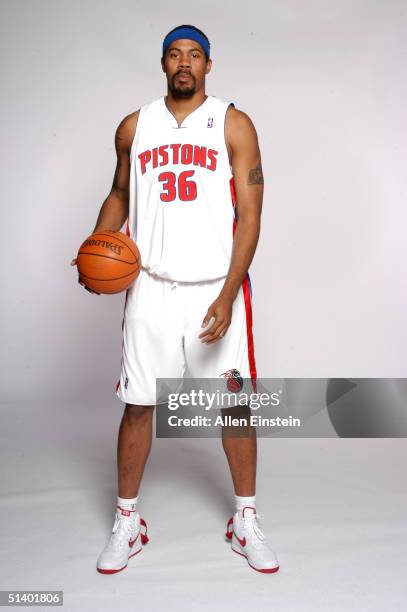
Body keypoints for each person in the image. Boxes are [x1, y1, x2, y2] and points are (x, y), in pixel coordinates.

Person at [71, 24, 279, 575]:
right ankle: (127, 520)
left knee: (234, 406)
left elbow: (252, 216)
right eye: (174, 54)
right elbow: (120, 194)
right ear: (163, 64)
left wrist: (230, 293)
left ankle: (246, 519)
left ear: (209, 65)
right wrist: (95, 246)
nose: (184, 63)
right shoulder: (134, 127)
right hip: (152, 288)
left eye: (194, 55)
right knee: (139, 403)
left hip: (216, 288)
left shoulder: (234, 123)